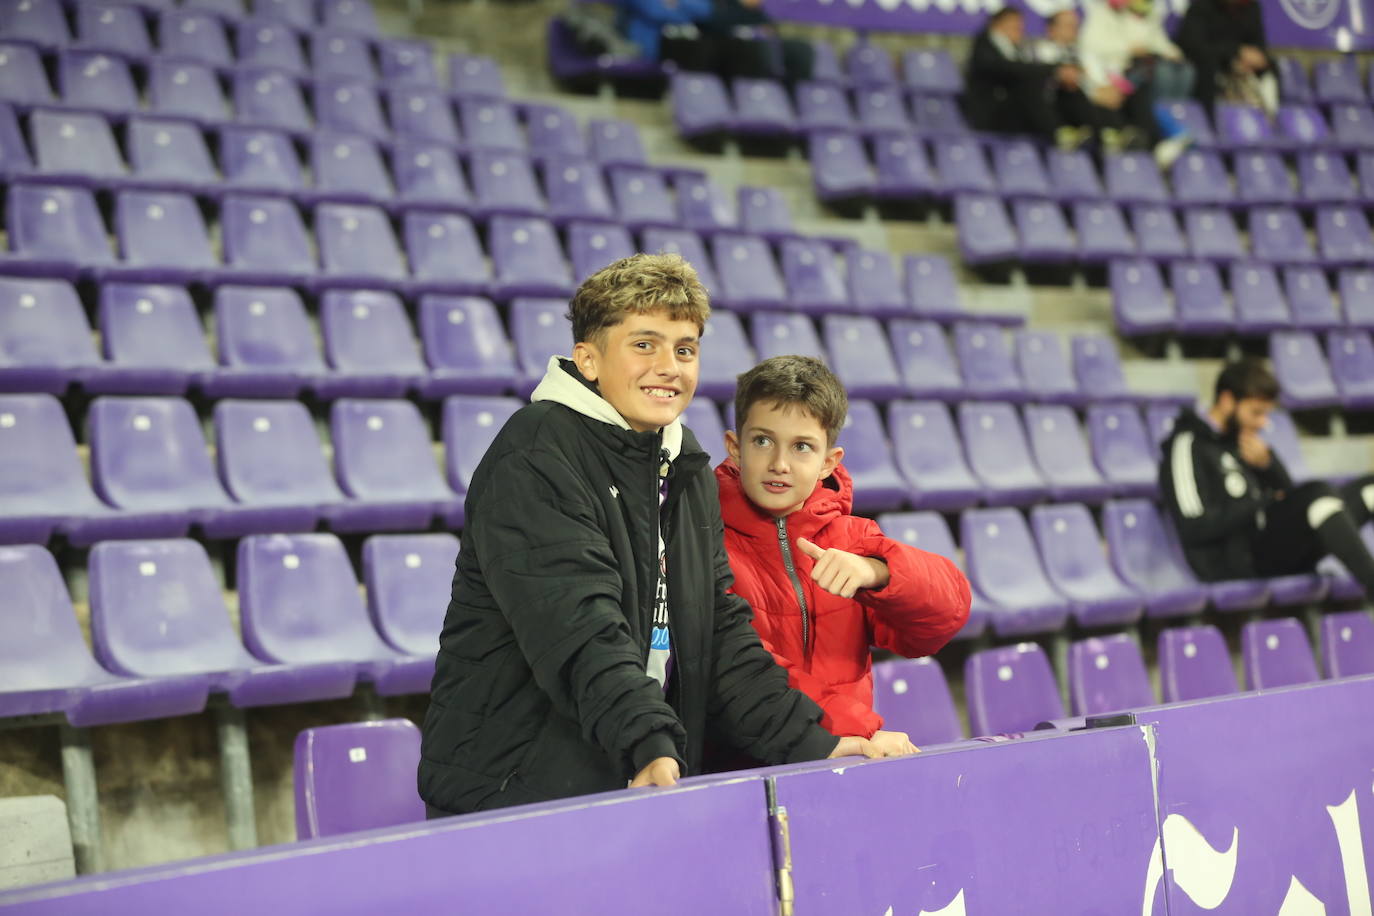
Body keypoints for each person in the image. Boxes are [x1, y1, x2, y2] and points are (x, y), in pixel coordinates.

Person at [420, 254, 882, 817]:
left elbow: (720, 635)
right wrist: (649, 742)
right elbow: (579, 628)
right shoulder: (536, 452)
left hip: (629, 776)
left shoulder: (683, 462)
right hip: (515, 792)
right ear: (588, 359)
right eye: (645, 344)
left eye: (684, 349)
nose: (669, 366)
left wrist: (815, 743)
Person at [715, 356, 971, 756]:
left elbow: (945, 615)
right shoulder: (707, 542)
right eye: (762, 441)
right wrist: (860, 731)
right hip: (750, 763)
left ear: (828, 463)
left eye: (802, 447)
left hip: (846, 758)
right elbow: (749, 673)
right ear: (735, 448)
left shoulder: (852, 538)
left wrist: (876, 572)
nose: (779, 464)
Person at [1159, 358, 1374, 595]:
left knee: (1368, 489)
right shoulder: (1187, 444)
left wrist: (1268, 465)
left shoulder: (1241, 442)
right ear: (1228, 401)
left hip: (1271, 547)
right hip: (1237, 563)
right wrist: (1260, 502)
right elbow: (1193, 525)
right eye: (1256, 412)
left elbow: (1293, 498)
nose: (1263, 423)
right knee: (1316, 493)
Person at [1079, 0, 1194, 164]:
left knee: (1181, 71)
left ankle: (1169, 134)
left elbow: (1151, 41)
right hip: (1106, 80)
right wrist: (1102, 83)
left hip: (1122, 76)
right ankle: (1170, 135)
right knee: (1148, 83)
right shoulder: (1098, 16)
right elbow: (1091, 50)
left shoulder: (1134, 17)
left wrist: (1171, 52)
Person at [963, 8, 1091, 149]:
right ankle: (1057, 131)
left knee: (1066, 88)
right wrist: (1054, 69)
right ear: (998, 24)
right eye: (1015, 26)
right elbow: (1006, 68)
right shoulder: (985, 44)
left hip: (1015, 113)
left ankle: (1084, 129)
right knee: (1030, 85)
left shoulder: (1015, 48)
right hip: (992, 113)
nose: (1020, 30)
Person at [619, 0, 813, 83]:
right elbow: (655, 9)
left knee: (795, 50)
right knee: (715, 48)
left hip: (695, 44)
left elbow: (708, 11)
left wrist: (680, 5)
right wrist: (686, 10)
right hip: (655, 46)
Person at [1174, 0, 1276, 114]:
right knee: (1206, 67)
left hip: (1241, 65)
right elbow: (1192, 44)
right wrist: (1236, 51)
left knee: (1271, 68)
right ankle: (1211, 122)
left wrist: (1254, 59)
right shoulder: (1202, 5)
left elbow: (1258, 45)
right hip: (1210, 64)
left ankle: (1270, 121)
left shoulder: (1251, 7)